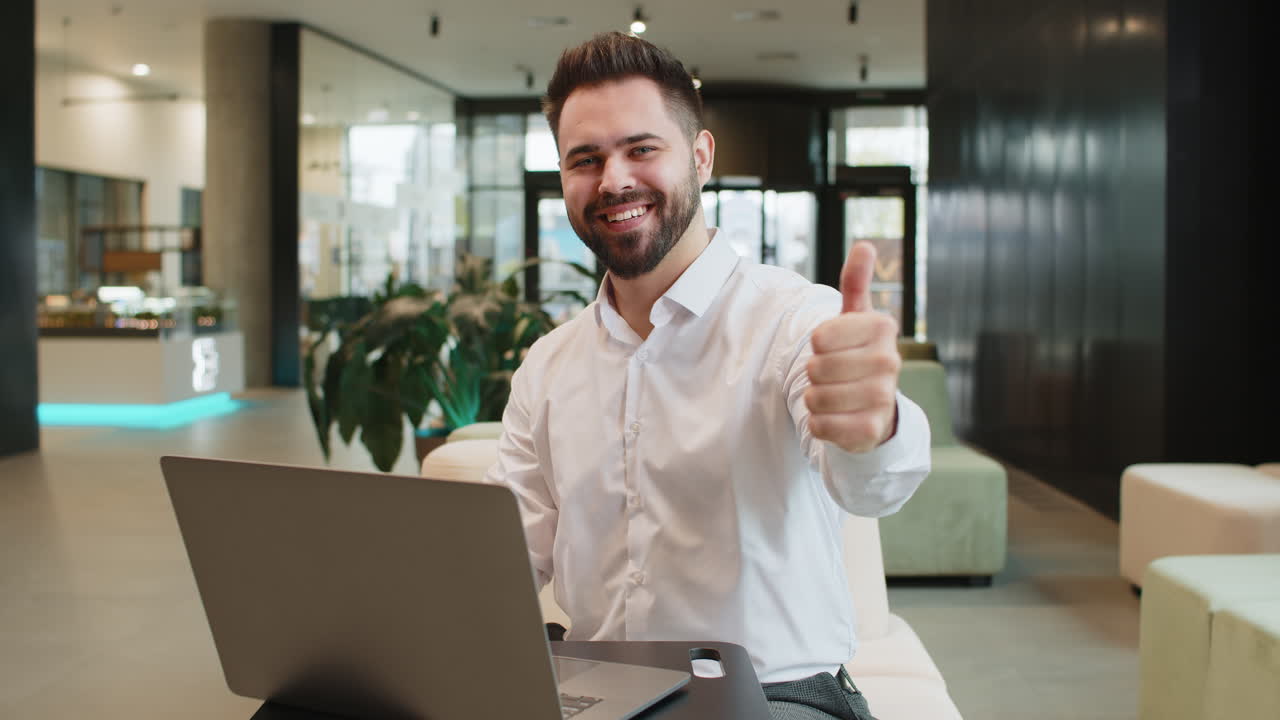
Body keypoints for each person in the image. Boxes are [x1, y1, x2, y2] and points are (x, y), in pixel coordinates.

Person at [483, 32, 931, 720]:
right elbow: (502, 561)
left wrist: (876, 426)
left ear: (699, 156)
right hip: (597, 689)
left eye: (641, 149)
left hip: (774, 695)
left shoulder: (791, 320)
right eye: (585, 160)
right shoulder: (547, 366)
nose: (613, 181)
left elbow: (868, 480)